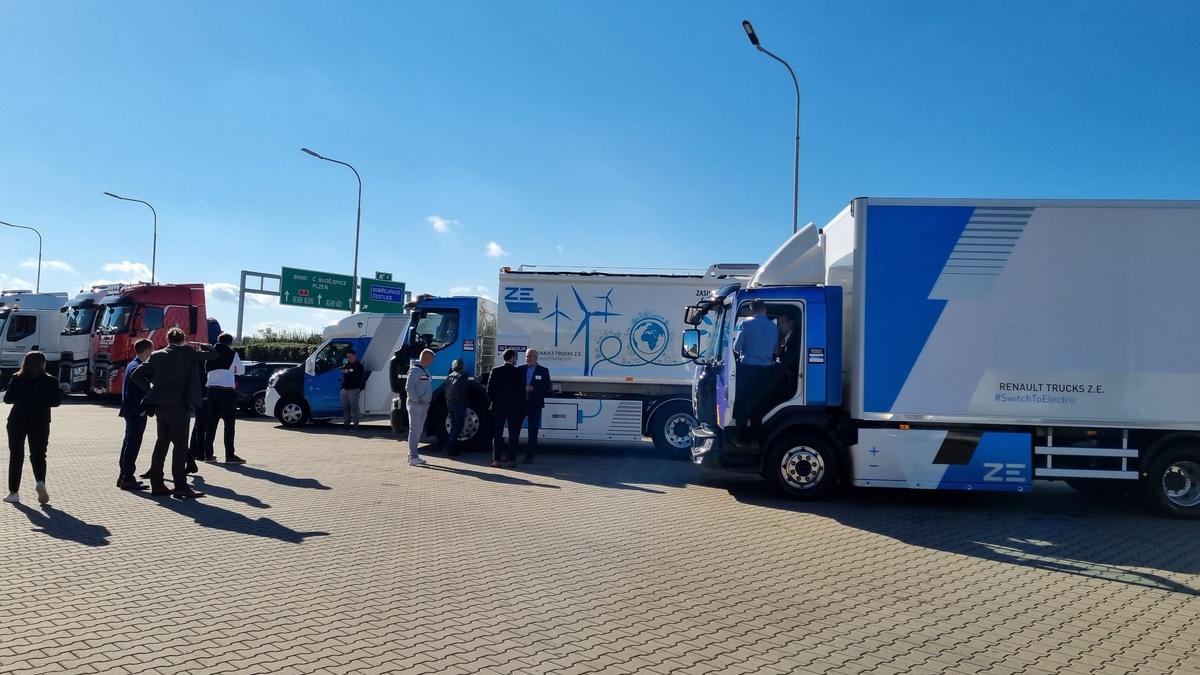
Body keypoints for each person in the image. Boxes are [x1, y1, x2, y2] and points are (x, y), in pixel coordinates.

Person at [130, 327, 217, 499]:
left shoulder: (156, 355)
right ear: (183, 339)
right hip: (179, 406)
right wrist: (206, 346)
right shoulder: (187, 353)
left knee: (161, 444)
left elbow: (136, 375)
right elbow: (214, 355)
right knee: (180, 446)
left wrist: (151, 391)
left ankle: (157, 484)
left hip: (160, 406)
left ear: (167, 339)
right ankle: (180, 487)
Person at [3, 351, 61, 505]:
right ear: (43, 364)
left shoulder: (17, 378)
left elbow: (7, 399)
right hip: (40, 421)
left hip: (17, 420)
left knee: (16, 455)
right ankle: (40, 482)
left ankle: (13, 493)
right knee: (39, 455)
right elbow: (56, 402)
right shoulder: (51, 380)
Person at [732, 298, 779, 445]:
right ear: (765, 309)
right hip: (766, 370)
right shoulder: (774, 328)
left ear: (752, 310)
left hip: (747, 369)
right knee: (759, 404)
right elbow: (775, 350)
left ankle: (740, 438)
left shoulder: (745, 324)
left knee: (743, 403)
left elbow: (736, 347)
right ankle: (755, 438)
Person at [117, 339, 154, 491]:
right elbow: (132, 393)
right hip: (135, 412)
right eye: (152, 351)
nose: (152, 353)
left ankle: (123, 476)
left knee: (128, 442)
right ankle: (128, 478)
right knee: (132, 444)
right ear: (146, 351)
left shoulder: (131, 364)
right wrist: (141, 410)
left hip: (129, 410)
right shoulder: (137, 367)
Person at [204, 332, 246, 464]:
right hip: (226, 391)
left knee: (211, 423)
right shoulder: (232, 354)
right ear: (230, 342)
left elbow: (206, 370)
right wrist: (232, 370)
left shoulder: (210, 353)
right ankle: (229, 455)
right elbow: (241, 371)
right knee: (229, 424)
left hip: (211, 390)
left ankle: (208, 455)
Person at [487, 348, 523, 468]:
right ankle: (512, 460)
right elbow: (521, 391)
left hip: (498, 407)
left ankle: (497, 460)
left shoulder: (495, 370)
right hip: (513, 408)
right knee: (513, 434)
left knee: (497, 434)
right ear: (512, 358)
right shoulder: (517, 372)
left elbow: (489, 390)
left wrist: (494, 400)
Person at [515, 349, 552, 464]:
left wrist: (534, 388)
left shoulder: (543, 370)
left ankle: (529, 457)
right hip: (520, 404)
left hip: (535, 405)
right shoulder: (520, 369)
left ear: (536, 357)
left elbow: (547, 386)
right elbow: (514, 385)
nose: (528, 358)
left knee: (532, 431)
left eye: (531, 356)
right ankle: (511, 455)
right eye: (527, 356)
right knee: (515, 430)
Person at [404, 349, 435, 467]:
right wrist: (416, 399)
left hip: (423, 405)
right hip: (416, 405)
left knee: (418, 430)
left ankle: (413, 455)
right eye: (431, 359)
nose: (432, 362)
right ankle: (413, 457)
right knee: (415, 430)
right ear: (426, 358)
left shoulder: (424, 370)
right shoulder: (415, 370)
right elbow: (409, 387)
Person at [443, 359, 469, 457]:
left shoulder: (450, 375)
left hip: (450, 403)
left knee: (454, 426)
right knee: (458, 426)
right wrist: (467, 402)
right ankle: (450, 448)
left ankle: (451, 447)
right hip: (459, 403)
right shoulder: (463, 375)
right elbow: (463, 391)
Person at [774, 313, 802, 401]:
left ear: (791, 323)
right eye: (779, 323)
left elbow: (792, 358)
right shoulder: (784, 338)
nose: (780, 325)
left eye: (783, 322)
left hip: (793, 376)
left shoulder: (795, 337)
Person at [340, 350, 366, 429]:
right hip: (345, 389)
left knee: (354, 408)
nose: (349, 358)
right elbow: (344, 375)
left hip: (354, 389)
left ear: (354, 356)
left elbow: (357, 376)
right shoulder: (347, 364)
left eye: (350, 357)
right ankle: (346, 424)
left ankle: (355, 425)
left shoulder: (359, 366)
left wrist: (348, 372)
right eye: (347, 357)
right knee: (346, 408)